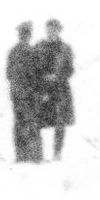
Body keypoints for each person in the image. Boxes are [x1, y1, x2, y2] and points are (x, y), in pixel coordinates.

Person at [33, 18, 75, 162]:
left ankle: (57, 152)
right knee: (37, 120)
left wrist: (57, 76)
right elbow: (34, 68)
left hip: (60, 89)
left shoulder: (65, 48)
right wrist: (42, 79)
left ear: (59, 30)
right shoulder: (39, 46)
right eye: (48, 29)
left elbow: (70, 69)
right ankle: (38, 154)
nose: (51, 32)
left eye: (54, 29)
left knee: (60, 121)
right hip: (43, 89)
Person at [7, 21, 39, 164]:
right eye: (22, 34)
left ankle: (32, 157)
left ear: (29, 35)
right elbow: (9, 74)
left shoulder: (32, 52)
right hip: (20, 95)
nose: (24, 36)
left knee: (30, 124)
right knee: (22, 124)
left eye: (26, 34)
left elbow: (37, 74)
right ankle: (22, 156)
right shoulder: (15, 52)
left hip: (28, 95)